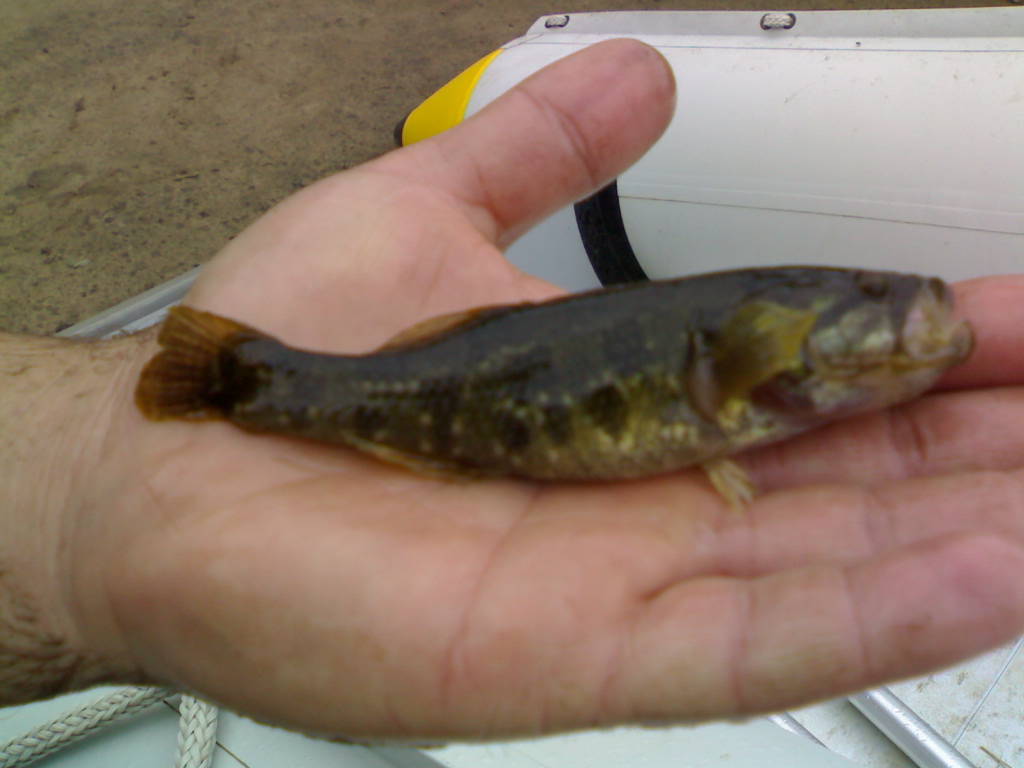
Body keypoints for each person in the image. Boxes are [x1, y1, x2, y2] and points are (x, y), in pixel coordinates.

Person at [2, 39, 1023, 740]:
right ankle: (239, 381)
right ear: (774, 335)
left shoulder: (760, 370)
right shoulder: (754, 367)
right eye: (872, 296)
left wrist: (79, 500)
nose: (907, 308)